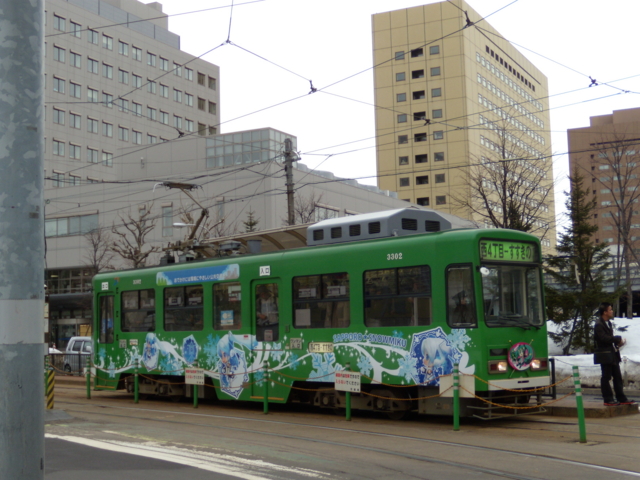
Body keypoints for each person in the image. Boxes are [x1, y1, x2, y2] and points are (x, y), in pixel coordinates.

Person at [594, 302, 636, 406]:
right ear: (605, 312)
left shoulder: (608, 323)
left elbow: (608, 339)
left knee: (617, 376)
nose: (612, 311)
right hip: (605, 354)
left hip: (612, 353)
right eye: (610, 310)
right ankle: (608, 399)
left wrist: (618, 344)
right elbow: (603, 338)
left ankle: (621, 398)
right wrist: (617, 339)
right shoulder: (599, 324)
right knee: (606, 377)